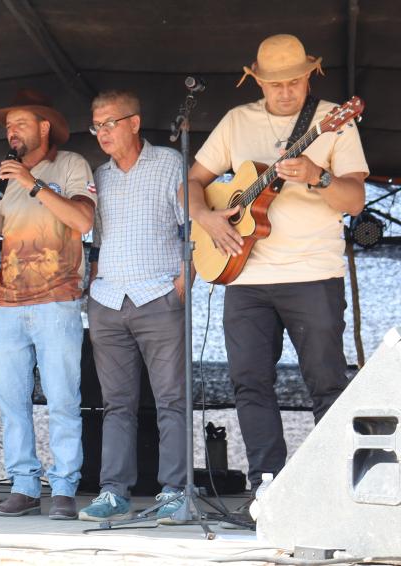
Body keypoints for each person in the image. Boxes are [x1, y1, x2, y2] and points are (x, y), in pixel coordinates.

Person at [187, 35, 368, 503]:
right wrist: (205, 216)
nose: (284, 91)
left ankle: (338, 486)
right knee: (249, 382)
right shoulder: (236, 121)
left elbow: (354, 201)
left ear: (311, 76)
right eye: (273, 84)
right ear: (257, 81)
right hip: (245, 277)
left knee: (326, 381)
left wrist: (319, 175)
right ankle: (267, 483)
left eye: (293, 81)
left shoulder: (334, 122)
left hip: (313, 274)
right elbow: (194, 180)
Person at [0, 89, 95, 520]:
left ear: (45, 128)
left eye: (20, 124)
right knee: (12, 400)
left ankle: (64, 485)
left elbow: (83, 220)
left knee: (64, 397)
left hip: (57, 302)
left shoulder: (70, 165)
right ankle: (24, 485)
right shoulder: (2, 180)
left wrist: (35, 185)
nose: (11, 133)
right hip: (9, 306)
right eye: (8, 127)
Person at [77, 90, 190, 525]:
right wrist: (93, 284)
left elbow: (190, 228)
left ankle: (175, 491)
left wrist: (183, 283)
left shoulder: (168, 163)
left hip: (159, 295)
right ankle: (113, 492)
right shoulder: (98, 177)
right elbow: (96, 239)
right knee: (116, 404)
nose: (102, 132)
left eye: (110, 123)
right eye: (96, 125)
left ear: (135, 122)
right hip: (108, 299)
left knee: (171, 400)